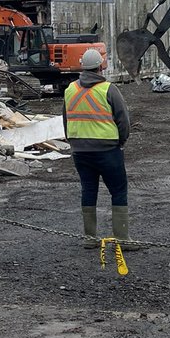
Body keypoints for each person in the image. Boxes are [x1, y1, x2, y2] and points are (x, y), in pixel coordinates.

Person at [62, 48, 135, 249]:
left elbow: (66, 120)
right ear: (101, 66)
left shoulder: (70, 90)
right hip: (107, 150)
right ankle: (122, 239)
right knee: (118, 191)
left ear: (82, 67)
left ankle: (90, 238)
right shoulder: (109, 89)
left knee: (88, 189)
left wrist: (74, 142)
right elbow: (123, 120)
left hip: (80, 151)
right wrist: (121, 141)